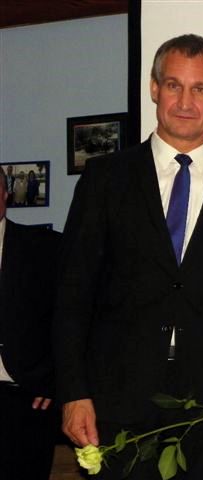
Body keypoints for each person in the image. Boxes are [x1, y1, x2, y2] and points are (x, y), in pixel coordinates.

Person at [54, 34, 203, 480]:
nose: (185, 102)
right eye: (174, 85)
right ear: (154, 88)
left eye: (200, 89)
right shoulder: (105, 178)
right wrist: (73, 392)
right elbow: (72, 293)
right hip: (114, 402)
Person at [0, 167, 61, 479]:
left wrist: (56, 381)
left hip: (27, 400)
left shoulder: (46, 247)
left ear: (5, 194)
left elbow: (71, 318)